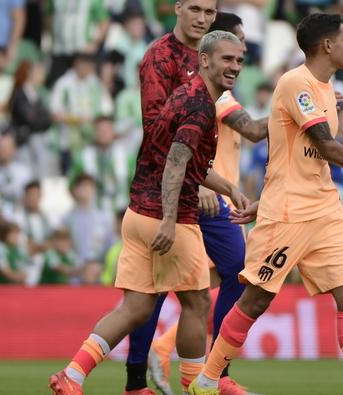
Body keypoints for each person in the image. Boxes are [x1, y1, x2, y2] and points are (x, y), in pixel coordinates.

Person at [189, 13, 343, 395]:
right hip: (289, 213)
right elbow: (325, 145)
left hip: (325, 208)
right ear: (327, 45)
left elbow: (296, 158)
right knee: (257, 298)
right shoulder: (295, 83)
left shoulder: (326, 88)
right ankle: (208, 379)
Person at [47, 30, 246, 395]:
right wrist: (170, 220)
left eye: (239, 60)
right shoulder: (201, 106)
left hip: (138, 212)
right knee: (197, 302)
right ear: (204, 60)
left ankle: (71, 376)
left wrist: (230, 188)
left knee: (136, 307)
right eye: (226, 59)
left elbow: (186, 160)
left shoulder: (185, 96)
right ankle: (197, 385)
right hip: (170, 216)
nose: (234, 66)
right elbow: (176, 163)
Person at [145, 12, 268, 395]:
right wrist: (300, 107)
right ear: (215, 50)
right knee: (225, 277)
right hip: (204, 198)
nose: (240, 55)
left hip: (218, 193)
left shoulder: (216, 92)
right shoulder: (214, 96)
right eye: (235, 47)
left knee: (205, 283)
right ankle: (202, 372)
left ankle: (172, 354)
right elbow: (252, 130)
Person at [123, 1, 217, 394]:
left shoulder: (211, 57)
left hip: (200, 188)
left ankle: (204, 377)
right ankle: (147, 380)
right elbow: (158, 132)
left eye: (209, 12)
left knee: (231, 272)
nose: (201, 17)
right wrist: (201, 179)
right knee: (154, 297)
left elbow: (221, 118)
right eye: (194, 8)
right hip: (165, 193)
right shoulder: (159, 58)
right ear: (177, 7)